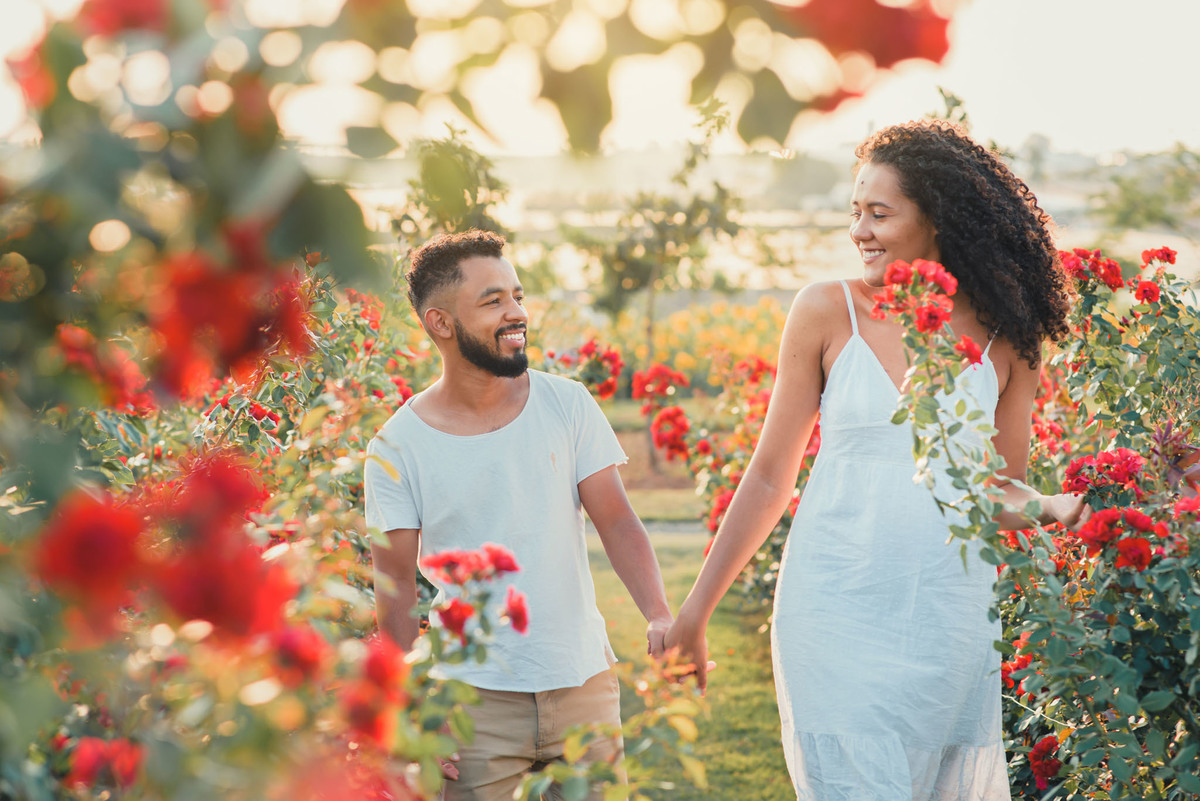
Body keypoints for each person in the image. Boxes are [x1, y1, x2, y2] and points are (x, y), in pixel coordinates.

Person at [664, 120, 1090, 801]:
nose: (858, 230)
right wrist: (695, 610)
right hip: (832, 611)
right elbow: (772, 475)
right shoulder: (827, 310)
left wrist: (1049, 505)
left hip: (945, 622)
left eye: (878, 212)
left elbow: (997, 494)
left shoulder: (1011, 337)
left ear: (938, 219)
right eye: (854, 212)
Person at [364, 229, 673, 801]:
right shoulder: (397, 447)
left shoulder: (567, 403)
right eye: (493, 301)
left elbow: (618, 521)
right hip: (470, 703)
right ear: (440, 323)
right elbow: (396, 590)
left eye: (517, 295)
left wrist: (657, 612)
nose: (516, 313)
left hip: (584, 685)